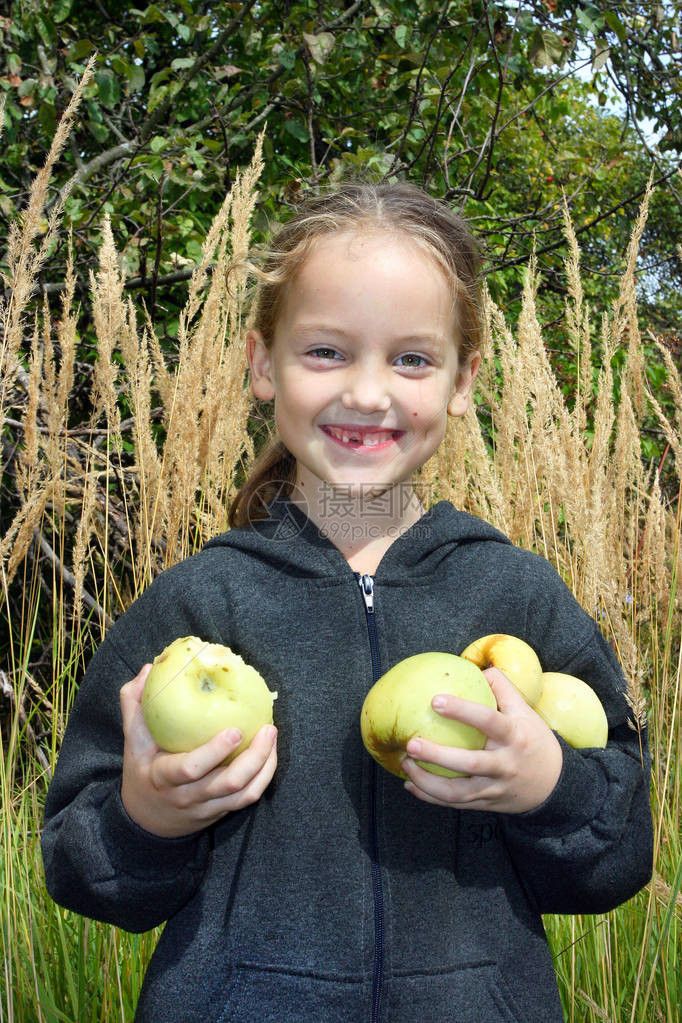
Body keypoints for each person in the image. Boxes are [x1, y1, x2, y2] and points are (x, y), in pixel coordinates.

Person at [41, 182, 653, 1023]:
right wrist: (149, 814)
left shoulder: (517, 595)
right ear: (262, 363)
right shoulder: (201, 602)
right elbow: (80, 867)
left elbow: (618, 858)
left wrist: (546, 780)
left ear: (463, 379)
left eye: (411, 358)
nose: (368, 393)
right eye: (326, 351)